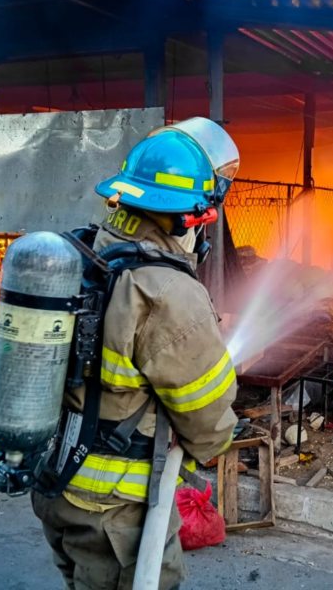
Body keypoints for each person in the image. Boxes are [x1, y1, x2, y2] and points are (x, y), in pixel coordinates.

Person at [31, 117, 240, 590]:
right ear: (189, 217)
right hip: (114, 509)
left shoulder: (84, 254)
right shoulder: (167, 290)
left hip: (57, 486)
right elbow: (207, 425)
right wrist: (220, 435)